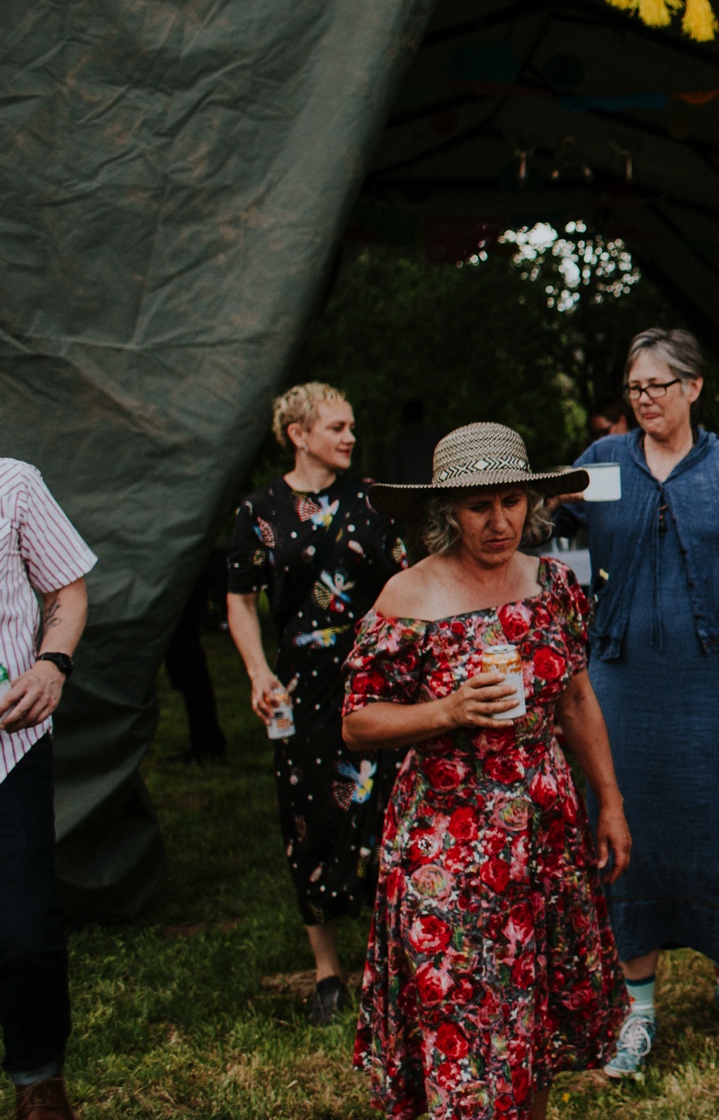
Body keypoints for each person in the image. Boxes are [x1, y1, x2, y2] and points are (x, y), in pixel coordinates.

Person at [340, 423, 629, 1119]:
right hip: (448, 841)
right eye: (479, 507)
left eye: (510, 501)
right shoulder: (408, 595)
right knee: (464, 1027)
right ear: (448, 512)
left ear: (531, 501)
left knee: (531, 1021)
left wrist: (611, 801)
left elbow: (579, 697)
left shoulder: (554, 582)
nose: (498, 521)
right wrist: (449, 708)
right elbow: (357, 722)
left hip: (544, 831)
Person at [560, 328, 719, 1080]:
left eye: (658, 386)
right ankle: (638, 1004)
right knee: (625, 828)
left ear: (694, 387)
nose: (645, 400)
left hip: (707, 682)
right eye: (635, 389)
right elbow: (545, 537)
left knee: (718, 826)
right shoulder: (600, 464)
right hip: (620, 681)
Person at [226, 382, 408, 1024]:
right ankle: (328, 971)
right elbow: (242, 597)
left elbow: (405, 584)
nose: (350, 437)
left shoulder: (372, 502)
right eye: (336, 427)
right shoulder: (260, 510)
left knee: (386, 811)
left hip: (372, 675)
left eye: (352, 425)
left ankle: (394, 957)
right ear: (299, 435)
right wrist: (256, 671)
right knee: (309, 817)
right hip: (299, 687)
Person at [0, 445, 95, 1120]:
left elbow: (65, 586)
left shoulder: (8, 483)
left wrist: (50, 664)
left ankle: (39, 1084)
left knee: (23, 935)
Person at [159, 553, 228, 763]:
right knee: (184, 655)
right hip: (177, 567)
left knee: (186, 655)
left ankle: (206, 742)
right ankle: (206, 740)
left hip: (181, 569)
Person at [386, 398, 445, 487]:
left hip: (410, 489)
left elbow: (394, 473)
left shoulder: (401, 439)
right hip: (434, 487)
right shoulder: (436, 435)